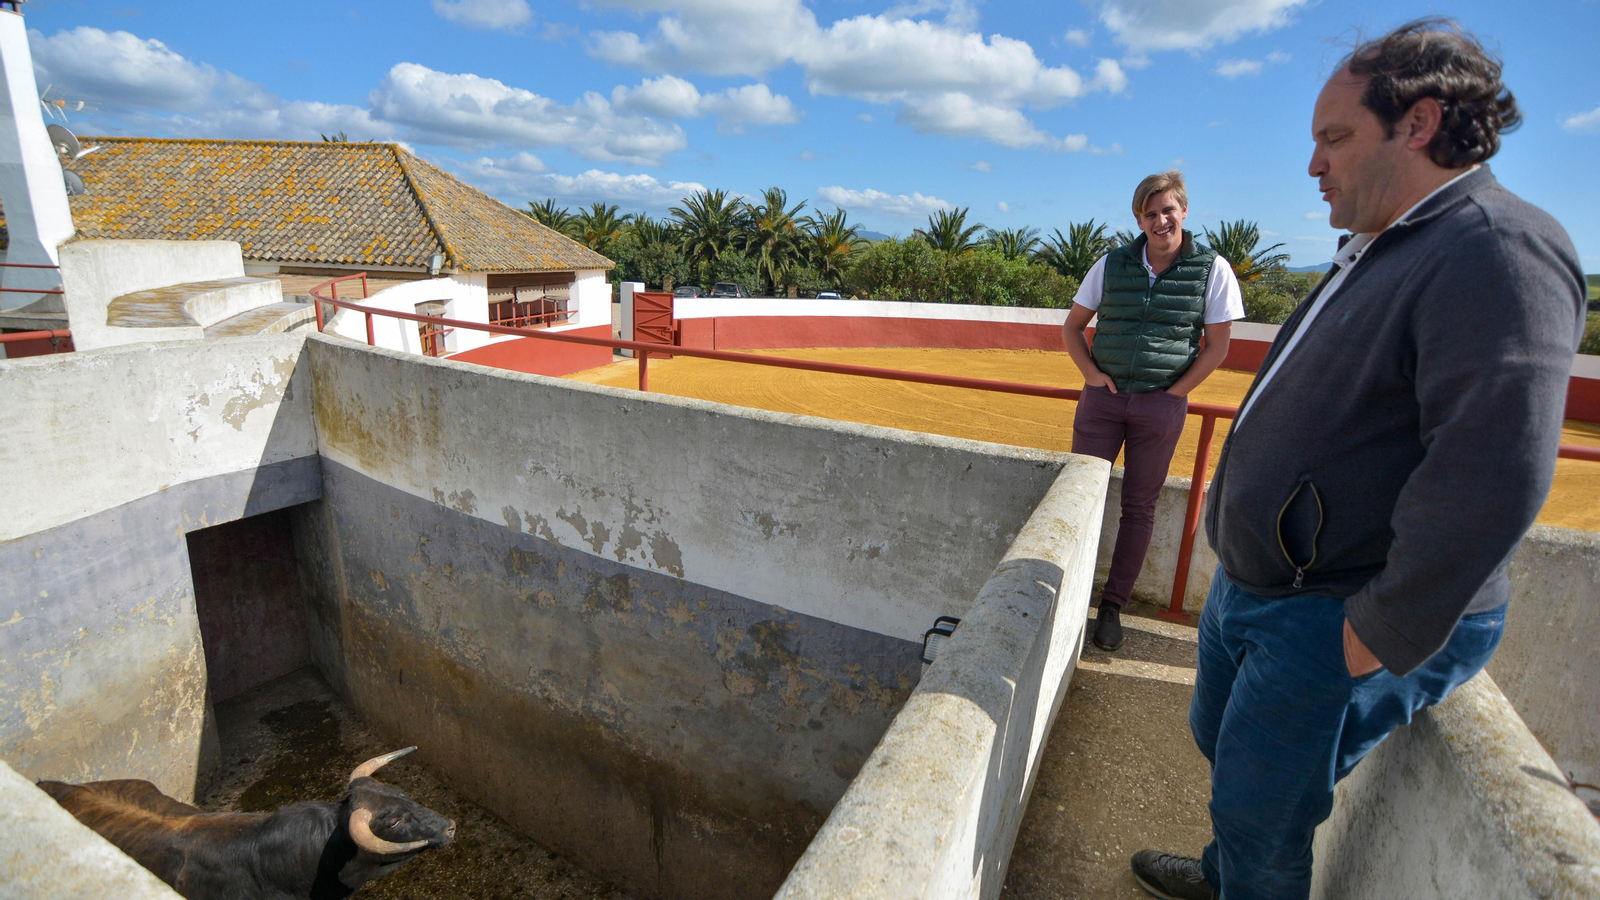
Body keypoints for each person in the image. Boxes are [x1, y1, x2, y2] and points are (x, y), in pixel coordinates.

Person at [1129, 19, 1586, 900]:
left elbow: (1494, 475)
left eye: (1334, 138)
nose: (1314, 165)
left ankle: (1243, 876)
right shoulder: (1391, 242)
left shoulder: (1496, 247)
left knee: (1265, 809)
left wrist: (1371, 634)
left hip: (1331, 607)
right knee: (1225, 755)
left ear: (1417, 124)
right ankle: (1228, 876)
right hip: (1267, 589)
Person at [1061, 171, 1244, 652]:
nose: (1161, 220)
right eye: (1150, 213)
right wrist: (1091, 376)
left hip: (1160, 407)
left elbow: (1217, 347)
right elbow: (1073, 327)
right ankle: (1069, 599)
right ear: (1138, 218)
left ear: (1184, 210)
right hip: (1103, 402)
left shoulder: (1212, 269)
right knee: (1081, 496)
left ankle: (1112, 608)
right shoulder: (1111, 263)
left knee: (1138, 508)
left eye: (1168, 210)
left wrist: (1173, 394)